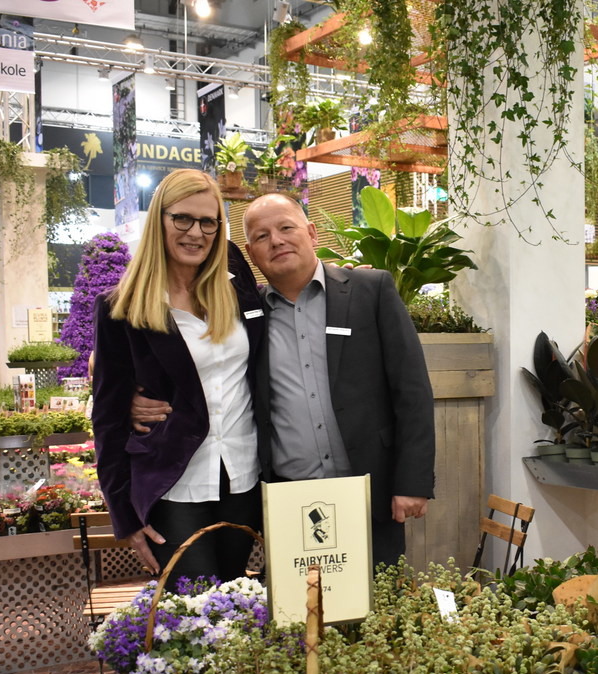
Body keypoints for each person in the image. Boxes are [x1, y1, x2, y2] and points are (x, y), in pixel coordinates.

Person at [135, 192, 435, 570]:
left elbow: (412, 392)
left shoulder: (369, 291)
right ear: (250, 253)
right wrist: (133, 396)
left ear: (311, 233)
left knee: (378, 597)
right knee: (303, 603)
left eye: (286, 228)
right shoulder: (246, 313)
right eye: (262, 236)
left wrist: (412, 482)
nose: (276, 241)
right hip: (290, 497)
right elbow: (206, 366)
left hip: (369, 489)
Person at [91, 168, 266, 584]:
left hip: (243, 476)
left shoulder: (235, 281)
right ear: (160, 220)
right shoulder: (122, 307)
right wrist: (125, 516)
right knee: (194, 607)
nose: (196, 233)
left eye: (208, 222)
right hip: (174, 485)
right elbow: (108, 420)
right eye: (182, 219)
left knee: (237, 601)